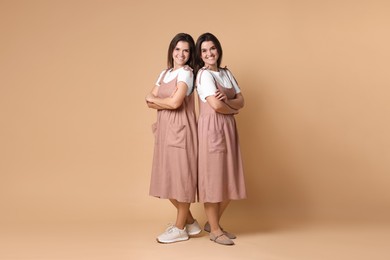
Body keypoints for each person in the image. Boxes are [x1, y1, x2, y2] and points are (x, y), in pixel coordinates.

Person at [145, 33, 201, 243]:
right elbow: (148, 99)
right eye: (177, 49)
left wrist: (159, 100)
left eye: (186, 50)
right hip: (165, 130)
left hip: (181, 131)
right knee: (166, 178)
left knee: (180, 179)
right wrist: (163, 100)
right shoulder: (165, 73)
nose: (181, 54)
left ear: (190, 54)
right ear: (171, 51)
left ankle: (179, 228)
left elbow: (175, 103)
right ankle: (191, 222)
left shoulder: (187, 73)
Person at [194, 33, 247, 246]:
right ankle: (215, 230)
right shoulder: (204, 76)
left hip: (227, 128)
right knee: (213, 178)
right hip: (212, 129)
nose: (209, 53)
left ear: (218, 49)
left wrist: (233, 105)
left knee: (229, 178)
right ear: (200, 55)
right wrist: (233, 107)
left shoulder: (226, 73)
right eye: (204, 51)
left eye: (212, 48)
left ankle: (212, 222)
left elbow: (242, 100)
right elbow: (215, 106)